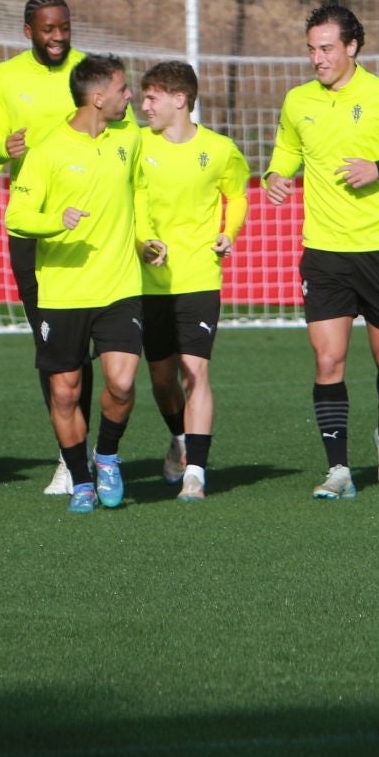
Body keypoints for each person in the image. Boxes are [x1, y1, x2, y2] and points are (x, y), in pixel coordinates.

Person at [263, 5, 379, 499]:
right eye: (310, 48)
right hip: (323, 252)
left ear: (352, 47)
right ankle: (339, 470)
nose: (316, 58)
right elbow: (285, 154)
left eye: (325, 48)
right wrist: (275, 177)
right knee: (329, 362)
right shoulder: (297, 101)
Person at [4, 54, 151, 513]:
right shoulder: (48, 152)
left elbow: (140, 190)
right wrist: (55, 221)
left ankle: (106, 453)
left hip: (120, 284)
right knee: (65, 390)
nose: (131, 96)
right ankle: (81, 479)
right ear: (98, 96)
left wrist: (146, 239)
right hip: (63, 291)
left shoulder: (130, 138)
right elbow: (16, 217)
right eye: (124, 89)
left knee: (122, 384)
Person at [0, 0, 103, 494]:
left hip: (89, 225)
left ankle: (86, 453)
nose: (58, 38)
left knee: (87, 345)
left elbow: (122, 132)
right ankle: (68, 452)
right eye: (48, 29)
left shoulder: (91, 71)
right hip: (31, 227)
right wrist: (1, 146)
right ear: (28, 30)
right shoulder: (5, 77)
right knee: (52, 345)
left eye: (64, 27)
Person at [133, 60, 249, 502]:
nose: (144, 106)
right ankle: (179, 437)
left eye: (152, 97)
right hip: (147, 282)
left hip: (200, 277)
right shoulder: (135, 145)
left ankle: (196, 472)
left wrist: (228, 232)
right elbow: (132, 202)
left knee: (195, 371)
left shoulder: (219, 150)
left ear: (180, 100)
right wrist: (144, 242)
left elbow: (236, 194)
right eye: (143, 97)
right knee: (162, 378)